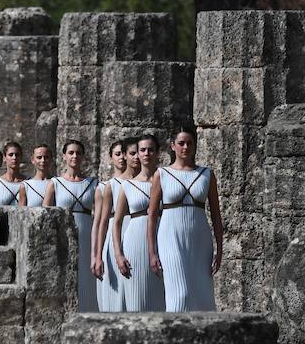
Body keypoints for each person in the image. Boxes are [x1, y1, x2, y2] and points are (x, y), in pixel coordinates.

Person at [148, 127, 223, 311]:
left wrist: (220, 249)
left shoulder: (207, 174)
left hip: (200, 238)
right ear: (173, 146)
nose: (185, 147)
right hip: (170, 237)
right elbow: (151, 216)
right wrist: (152, 252)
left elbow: (216, 215)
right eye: (181, 143)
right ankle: (173, 337)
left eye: (189, 143)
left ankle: (205, 336)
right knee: (179, 295)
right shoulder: (162, 174)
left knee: (202, 294)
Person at [43, 140, 99, 312]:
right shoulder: (55, 183)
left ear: (83, 157)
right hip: (64, 238)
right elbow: (45, 216)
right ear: (64, 156)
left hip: (87, 236)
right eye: (71, 153)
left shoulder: (93, 183)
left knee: (86, 280)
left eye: (78, 153)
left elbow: (99, 216)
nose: (75, 156)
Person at [113, 134, 165, 311]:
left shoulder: (166, 180)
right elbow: (117, 222)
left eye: (151, 149)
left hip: (163, 239)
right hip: (134, 242)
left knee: (163, 298)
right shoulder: (126, 186)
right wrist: (118, 255)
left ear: (158, 152)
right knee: (137, 299)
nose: (146, 153)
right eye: (142, 150)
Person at [92, 137, 140, 311]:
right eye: (119, 154)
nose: (122, 157)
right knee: (116, 292)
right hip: (114, 238)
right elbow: (101, 223)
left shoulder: (145, 182)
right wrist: (96, 256)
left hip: (137, 234)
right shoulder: (107, 187)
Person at [0, 142, 25, 206]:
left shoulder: (28, 182)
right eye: (11, 155)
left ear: (21, 157)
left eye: (17, 155)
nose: (14, 158)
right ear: (4, 158)